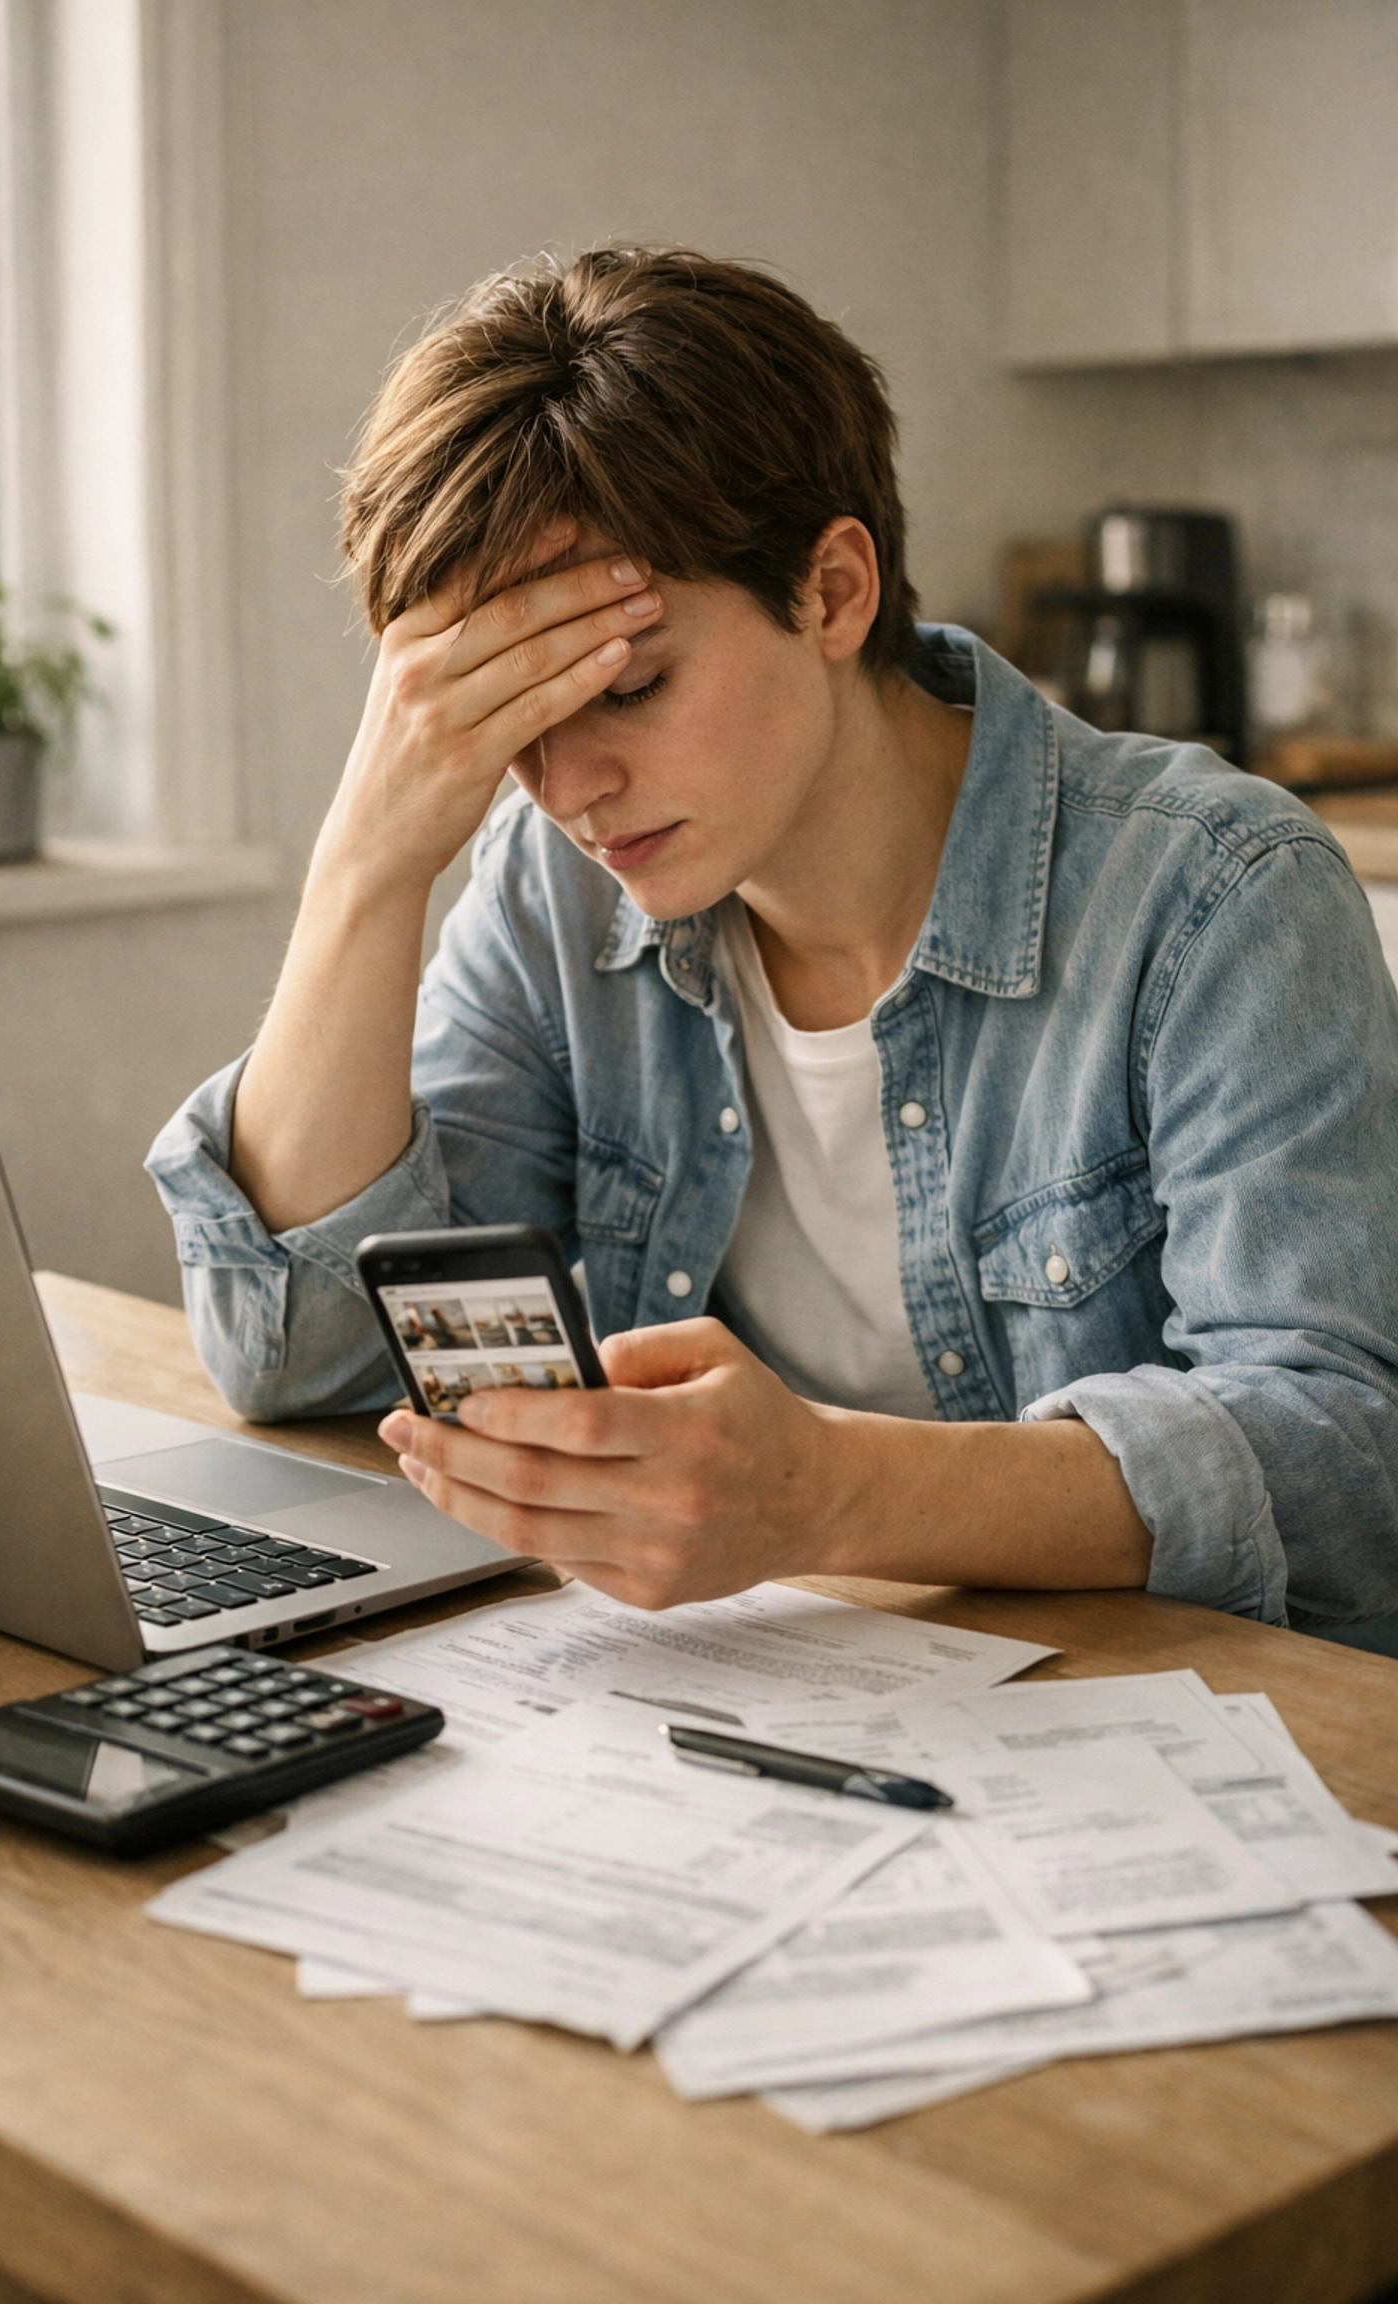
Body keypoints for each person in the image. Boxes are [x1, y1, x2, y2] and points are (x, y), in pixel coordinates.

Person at [148, 245, 1398, 1634]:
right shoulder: (551, 891)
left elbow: (1340, 1459)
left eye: (630, 686)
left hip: (1144, 1731)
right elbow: (308, 1353)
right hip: (744, 1714)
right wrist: (366, 865)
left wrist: (831, 1494)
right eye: (510, 722)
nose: (569, 790)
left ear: (833, 591)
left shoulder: (1218, 896)